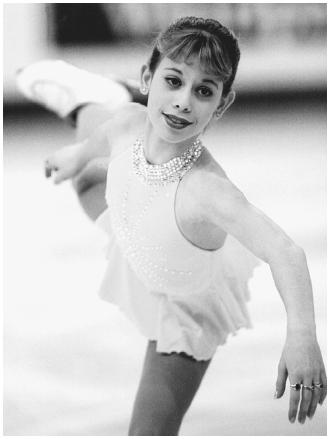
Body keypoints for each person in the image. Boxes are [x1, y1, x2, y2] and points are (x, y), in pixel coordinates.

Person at [17, 16, 326, 435]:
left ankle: (95, 98)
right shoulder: (129, 122)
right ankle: (93, 98)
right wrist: (75, 155)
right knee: (88, 176)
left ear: (223, 103)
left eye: (203, 91)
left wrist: (303, 335)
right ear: (148, 78)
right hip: (134, 225)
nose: (184, 101)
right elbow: (102, 138)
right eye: (174, 81)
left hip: (185, 309)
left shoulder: (209, 191)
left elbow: (285, 252)